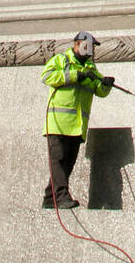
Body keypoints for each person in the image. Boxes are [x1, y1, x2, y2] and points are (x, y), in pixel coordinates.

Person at [40, 31, 114, 209]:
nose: (91, 51)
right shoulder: (61, 60)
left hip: (77, 126)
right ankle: (61, 196)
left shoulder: (90, 67)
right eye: (89, 46)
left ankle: (50, 198)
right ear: (78, 44)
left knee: (67, 163)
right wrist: (74, 76)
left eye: (92, 49)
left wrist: (106, 85)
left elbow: (99, 91)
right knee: (57, 161)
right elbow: (46, 76)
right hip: (58, 123)